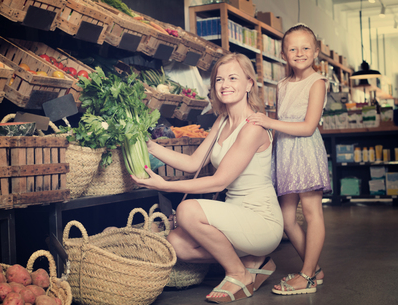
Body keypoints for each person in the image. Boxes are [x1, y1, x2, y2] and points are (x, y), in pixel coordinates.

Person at [132, 53, 283, 303]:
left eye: (233, 78)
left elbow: (220, 181)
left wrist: (166, 185)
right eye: (219, 79)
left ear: (249, 84)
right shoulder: (222, 120)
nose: (225, 85)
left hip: (261, 221)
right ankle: (253, 262)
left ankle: (238, 273)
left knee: (187, 210)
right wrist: (150, 146)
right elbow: (193, 163)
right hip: (235, 220)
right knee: (177, 243)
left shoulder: (253, 127)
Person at [247, 24, 331, 295]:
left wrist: (270, 121)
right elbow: (279, 123)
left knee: (311, 212)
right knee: (285, 218)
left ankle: (307, 275)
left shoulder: (317, 82)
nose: (299, 53)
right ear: (283, 54)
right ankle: (314, 268)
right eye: (292, 48)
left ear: (316, 52)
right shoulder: (281, 85)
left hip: (306, 150)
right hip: (285, 152)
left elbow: (308, 127)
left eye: (306, 47)